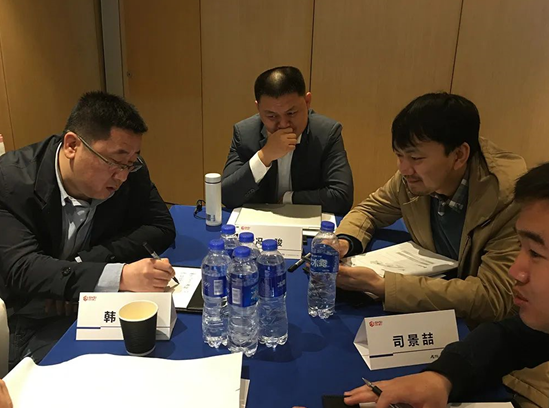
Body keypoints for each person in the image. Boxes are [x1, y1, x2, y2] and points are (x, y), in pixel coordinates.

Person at [343, 162, 549, 408]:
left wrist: (386, 286)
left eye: (535, 253)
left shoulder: (499, 194)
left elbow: (490, 299)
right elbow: (508, 339)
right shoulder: (539, 324)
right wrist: (441, 378)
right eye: (520, 247)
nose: (515, 271)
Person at [0, 91, 176, 367]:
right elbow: (23, 268)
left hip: (94, 303)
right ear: (72, 145)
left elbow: (161, 226)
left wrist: (86, 264)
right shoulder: (10, 183)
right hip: (32, 315)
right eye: (115, 162)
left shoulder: (130, 171)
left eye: (130, 163)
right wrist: (119, 276)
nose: (122, 175)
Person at [336, 92, 526, 324]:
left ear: (459, 155)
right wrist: (344, 241)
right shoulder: (411, 179)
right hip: (438, 300)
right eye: (399, 155)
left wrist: (385, 287)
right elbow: (369, 211)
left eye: (416, 158)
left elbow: (493, 297)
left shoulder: (507, 199)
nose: (404, 169)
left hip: (484, 325)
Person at [221, 66, 354, 214]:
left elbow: (342, 198)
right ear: (258, 108)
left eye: (291, 113)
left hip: (307, 222)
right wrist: (264, 156)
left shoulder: (326, 134)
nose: (283, 124)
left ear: (307, 101)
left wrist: (289, 198)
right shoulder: (245, 134)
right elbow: (227, 196)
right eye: (272, 116)